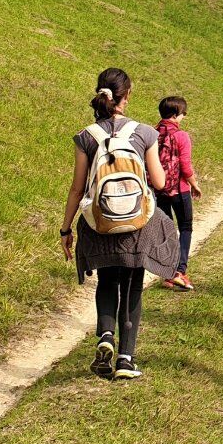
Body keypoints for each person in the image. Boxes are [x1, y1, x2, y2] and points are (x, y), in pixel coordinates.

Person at [61, 68, 179, 381]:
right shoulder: (144, 133)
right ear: (126, 97)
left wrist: (65, 229)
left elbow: (77, 188)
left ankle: (105, 337)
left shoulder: (87, 136)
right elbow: (159, 181)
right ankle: (126, 359)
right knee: (132, 287)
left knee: (106, 281)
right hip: (136, 225)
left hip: (100, 224)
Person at [155, 96, 202, 292]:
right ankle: (179, 271)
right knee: (185, 227)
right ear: (175, 115)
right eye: (183, 114)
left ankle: (167, 272)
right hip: (179, 189)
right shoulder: (182, 136)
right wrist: (195, 185)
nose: (183, 118)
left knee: (166, 229)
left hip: (159, 189)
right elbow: (185, 165)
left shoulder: (152, 133)